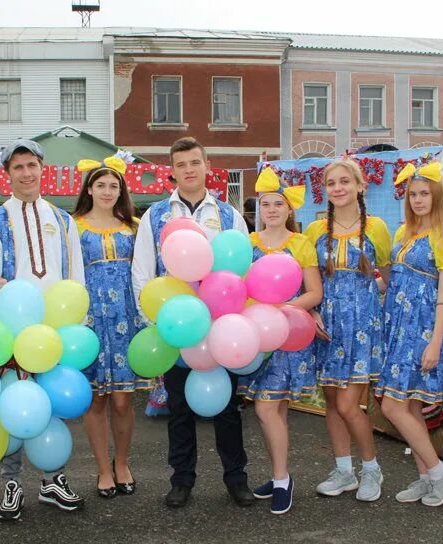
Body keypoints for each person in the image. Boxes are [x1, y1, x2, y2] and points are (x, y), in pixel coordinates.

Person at [131, 136, 254, 508]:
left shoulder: (230, 215)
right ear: (172, 171)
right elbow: (141, 272)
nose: (189, 170)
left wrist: (235, 318)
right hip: (176, 327)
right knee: (179, 408)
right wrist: (154, 319)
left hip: (220, 328)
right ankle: (181, 479)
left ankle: (237, 479)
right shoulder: (155, 216)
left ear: (207, 166)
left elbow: (242, 270)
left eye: (195, 163)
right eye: (181, 164)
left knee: (228, 409)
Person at [0, 139, 86, 520]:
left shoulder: (62, 220)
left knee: (51, 403)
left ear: (43, 169)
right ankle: (12, 483)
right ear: (7, 175)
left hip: (53, 330)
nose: (26, 173)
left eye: (32, 166)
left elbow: (75, 277)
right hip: (11, 331)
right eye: (18, 167)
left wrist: (76, 321)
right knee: (14, 403)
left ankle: (53, 479)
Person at [304, 159, 391, 502]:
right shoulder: (313, 231)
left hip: (361, 328)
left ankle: (371, 469)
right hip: (326, 325)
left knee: (349, 405)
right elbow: (305, 280)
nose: (337, 188)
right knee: (331, 401)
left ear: (360, 186)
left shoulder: (378, 228)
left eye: (344, 182)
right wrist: (310, 310)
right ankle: (344, 471)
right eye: (331, 183)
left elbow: (387, 275)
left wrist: (370, 307)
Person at [376, 162, 443, 507]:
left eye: (424, 193)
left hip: (422, 327)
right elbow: (392, 281)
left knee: (393, 406)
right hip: (397, 325)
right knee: (407, 404)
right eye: (412, 194)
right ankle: (426, 477)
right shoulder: (404, 234)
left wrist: (436, 341)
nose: (417, 200)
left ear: (438, 196)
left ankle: (441, 473)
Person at [241, 168, 322, 515]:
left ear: (290, 210)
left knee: (266, 407)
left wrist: (282, 307)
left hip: (288, 335)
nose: (271, 209)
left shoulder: (301, 244)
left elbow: (315, 292)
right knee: (274, 410)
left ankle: (281, 478)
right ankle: (279, 474)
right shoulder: (248, 244)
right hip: (257, 336)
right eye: (265, 204)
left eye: (278, 204)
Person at [73, 156, 149, 498]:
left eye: (113, 186)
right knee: (96, 399)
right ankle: (103, 468)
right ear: (89, 189)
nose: (107, 191)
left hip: (126, 315)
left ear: (122, 191)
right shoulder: (72, 226)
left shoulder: (135, 226)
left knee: (122, 400)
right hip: (90, 316)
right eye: (100, 185)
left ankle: (123, 463)